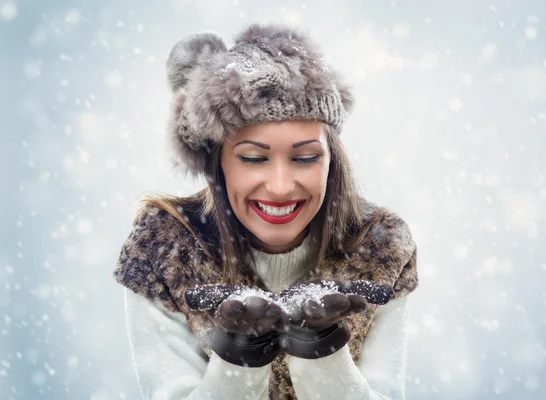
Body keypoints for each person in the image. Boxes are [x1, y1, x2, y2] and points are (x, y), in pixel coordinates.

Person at [113, 23, 418, 400]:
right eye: (254, 158)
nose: (280, 186)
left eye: (305, 157)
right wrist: (240, 355)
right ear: (217, 164)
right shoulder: (164, 247)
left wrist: (318, 346)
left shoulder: (380, 247)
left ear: (330, 162)